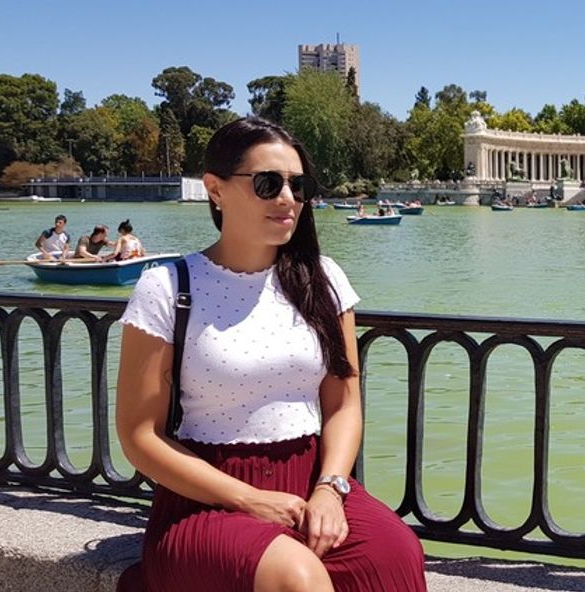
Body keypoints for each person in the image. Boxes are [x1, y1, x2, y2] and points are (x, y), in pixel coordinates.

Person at [115, 117, 426, 591]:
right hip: (205, 496)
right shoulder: (167, 287)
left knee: (394, 554)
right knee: (295, 576)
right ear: (215, 190)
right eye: (268, 183)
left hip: (309, 482)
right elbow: (140, 436)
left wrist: (331, 488)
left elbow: (343, 404)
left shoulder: (323, 280)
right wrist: (247, 498)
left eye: (298, 185)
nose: (287, 198)